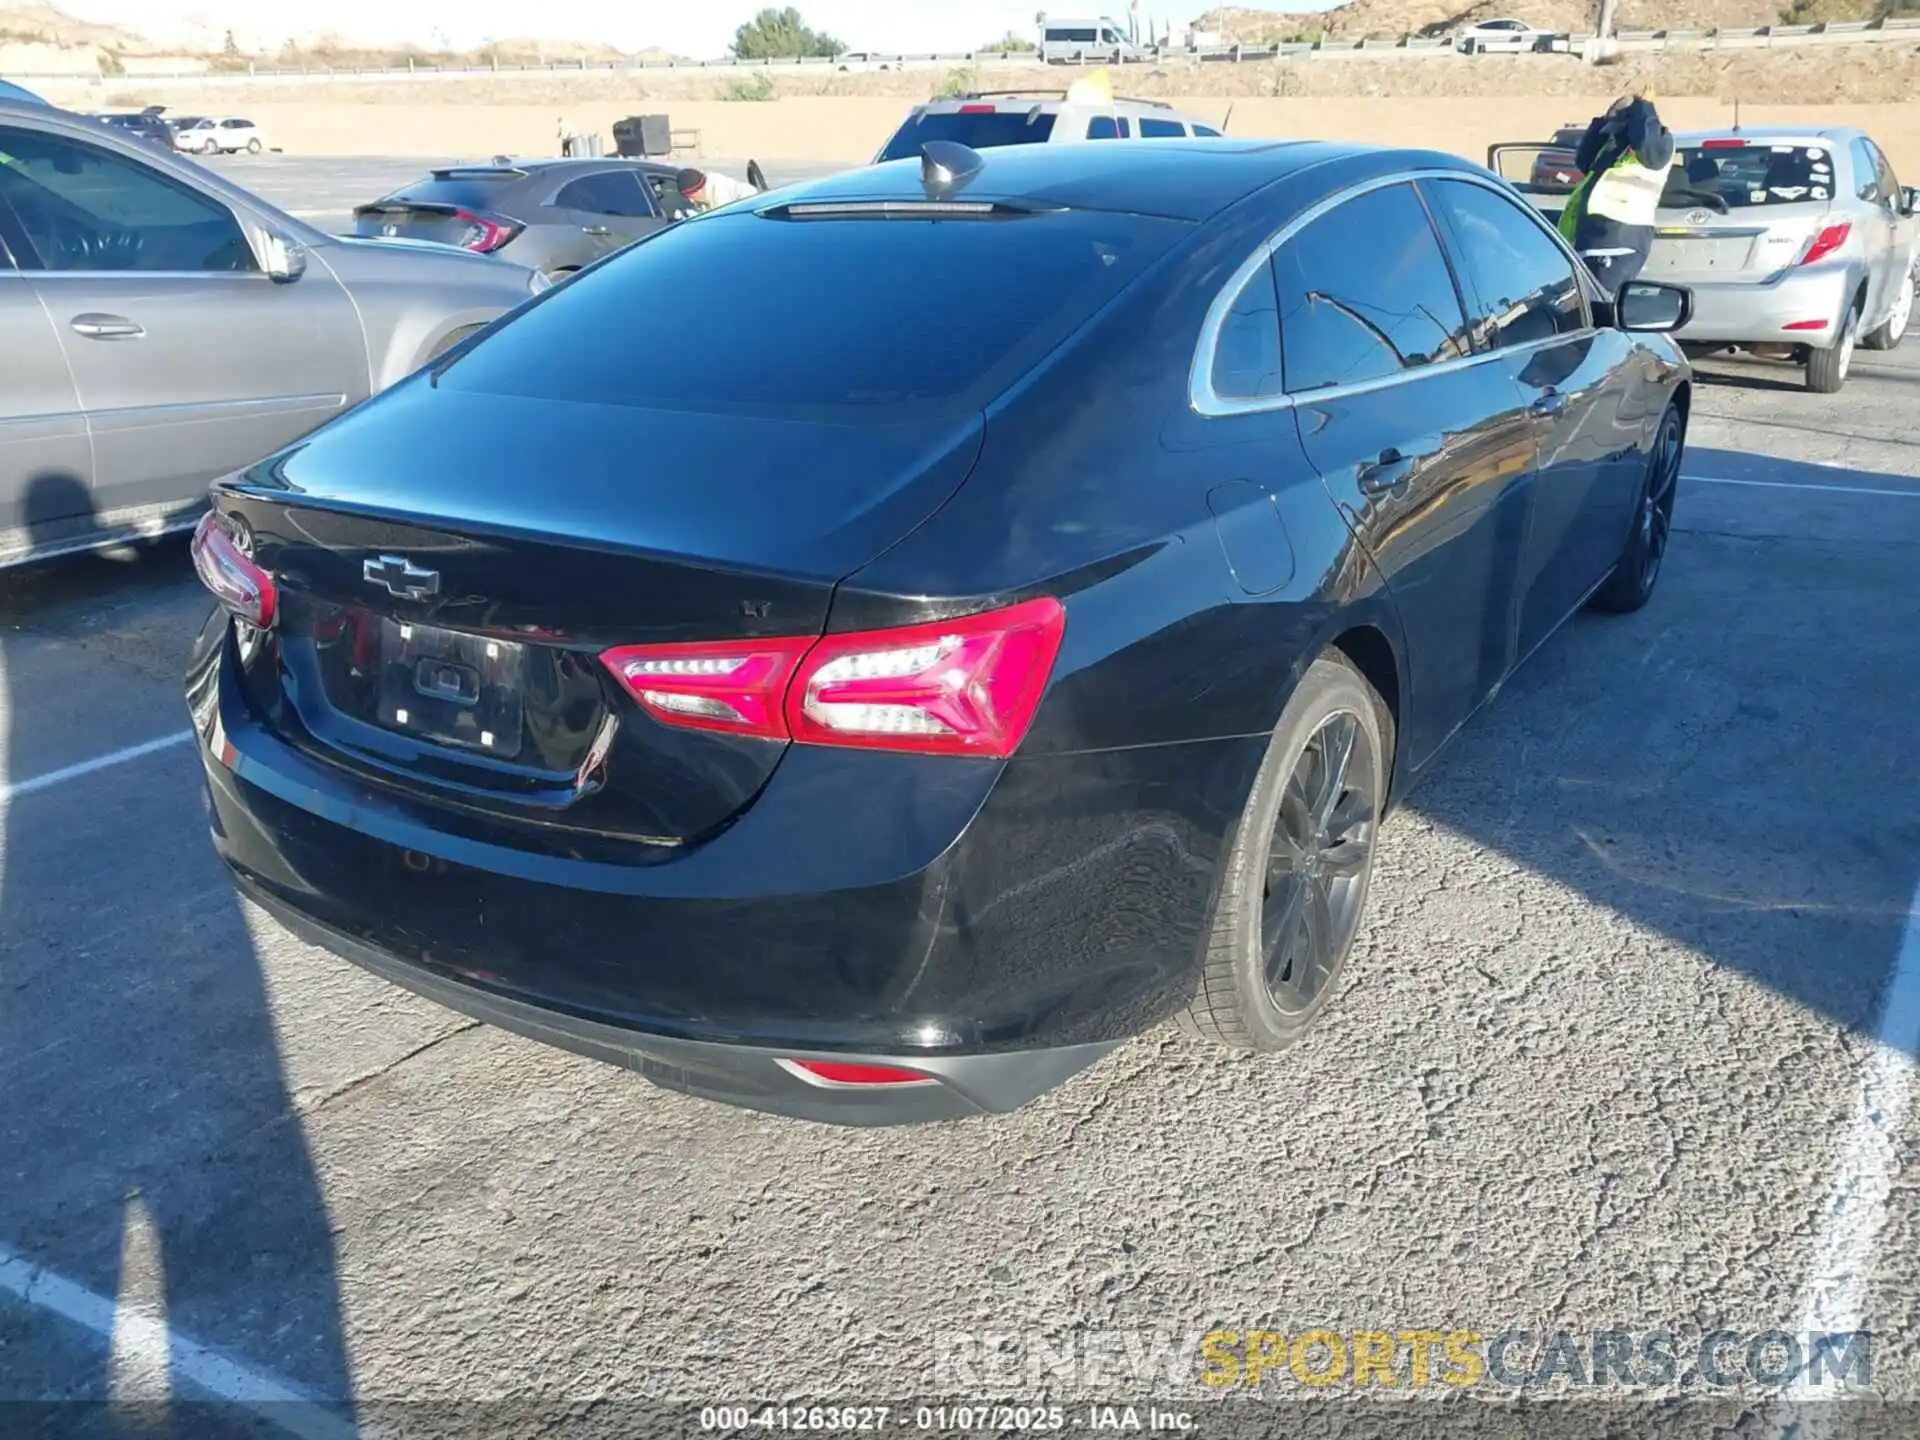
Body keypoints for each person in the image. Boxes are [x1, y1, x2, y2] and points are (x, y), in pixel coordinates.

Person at [1558, 91, 1675, 297]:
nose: (1613, 132)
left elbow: (1647, 144)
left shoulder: (1657, 145)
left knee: (1601, 308)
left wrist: (1644, 106)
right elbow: (1584, 160)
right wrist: (1601, 122)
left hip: (1619, 242)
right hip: (1589, 240)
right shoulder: (1615, 147)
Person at [674, 164, 763, 215]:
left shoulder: (719, 190)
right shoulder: (703, 196)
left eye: (691, 196)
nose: (691, 200)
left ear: (699, 189)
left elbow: (721, 219)